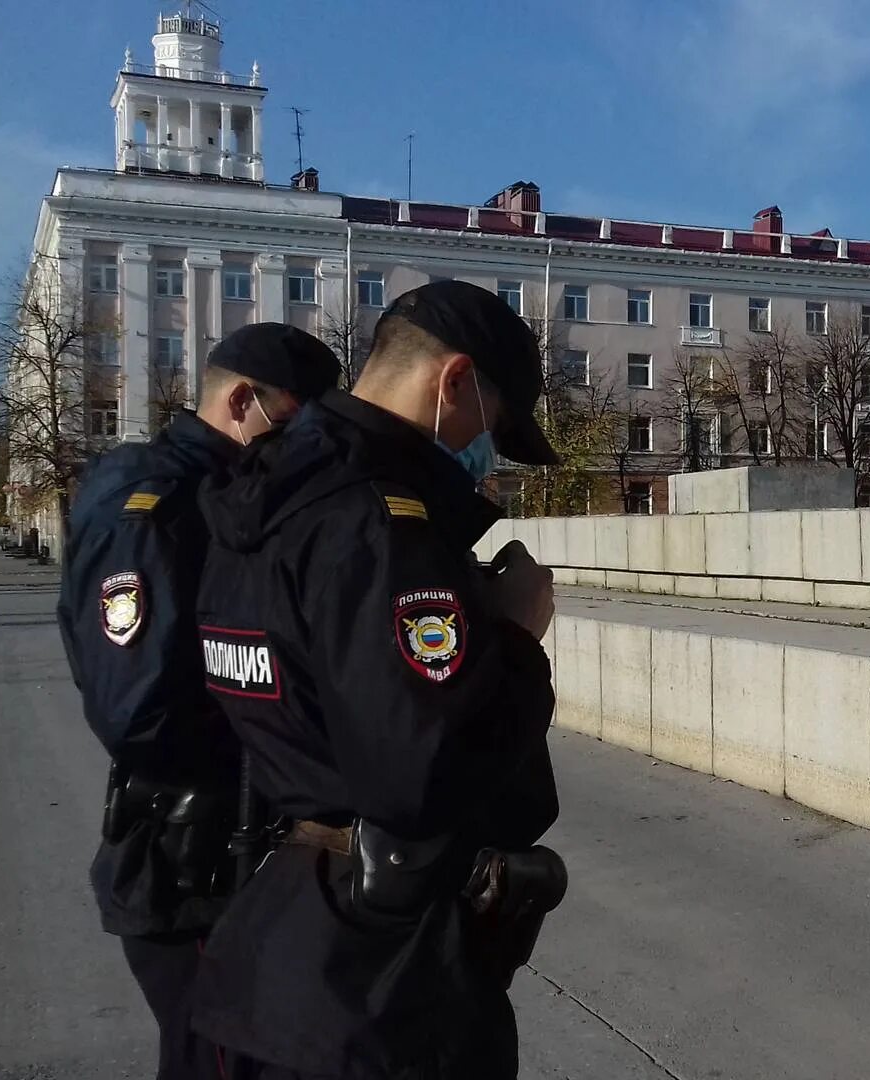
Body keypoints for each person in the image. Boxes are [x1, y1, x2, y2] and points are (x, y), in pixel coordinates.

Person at [190, 281, 566, 1080]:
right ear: (453, 381)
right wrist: (515, 635)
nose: (486, 449)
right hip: (383, 991)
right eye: (492, 425)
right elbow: (423, 774)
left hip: (288, 943)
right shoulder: (379, 519)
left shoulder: (265, 492)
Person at [55, 323, 341, 1080]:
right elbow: (137, 709)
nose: (300, 443)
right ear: (244, 401)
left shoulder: (225, 493)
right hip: (190, 866)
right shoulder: (157, 502)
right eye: (298, 422)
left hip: (225, 859)